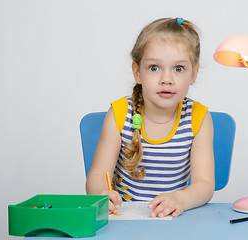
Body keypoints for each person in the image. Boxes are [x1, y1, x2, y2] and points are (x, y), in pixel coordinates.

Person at [86, 17, 214, 218]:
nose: (166, 79)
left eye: (178, 68)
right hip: (124, 219)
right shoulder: (119, 113)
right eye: (154, 68)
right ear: (137, 72)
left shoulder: (199, 117)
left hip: (173, 220)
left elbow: (204, 184)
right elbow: (97, 175)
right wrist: (101, 195)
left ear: (193, 74)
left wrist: (180, 200)